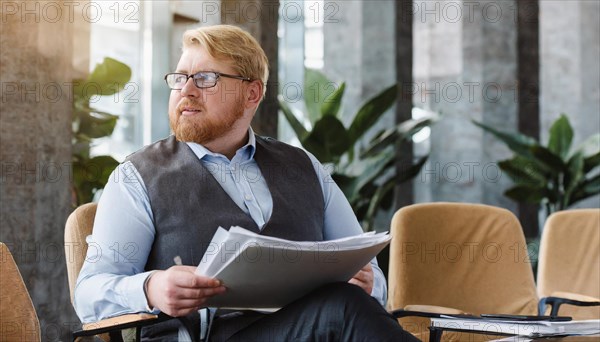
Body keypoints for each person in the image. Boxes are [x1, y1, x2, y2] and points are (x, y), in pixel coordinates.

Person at [74, 25, 418, 341]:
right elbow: (89, 292)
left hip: (304, 330)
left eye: (205, 78)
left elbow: (370, 272)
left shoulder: (305, 167)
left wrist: (368, 282)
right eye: (180, 78)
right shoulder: (136, 175)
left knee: (347, 302)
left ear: (251, 93)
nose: (187, 90)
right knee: (343, 307)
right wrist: (151, 287)